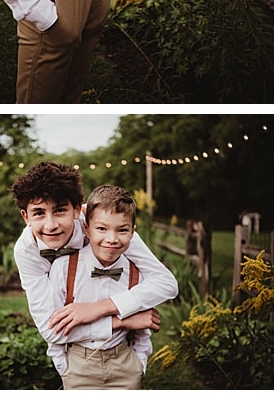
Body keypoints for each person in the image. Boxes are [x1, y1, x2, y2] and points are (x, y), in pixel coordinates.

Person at [9, 163, 174, 387]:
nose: (51, 225)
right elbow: (52, 329)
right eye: (39, 213)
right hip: (79, 365)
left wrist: (99, 308)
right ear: (25, 217)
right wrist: (122, 322)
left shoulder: (107, 224)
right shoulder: (26, 251)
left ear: (78, 210)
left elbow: (166, 283)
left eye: (59, 210)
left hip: (123, 362)